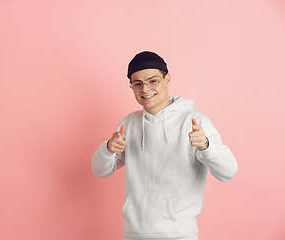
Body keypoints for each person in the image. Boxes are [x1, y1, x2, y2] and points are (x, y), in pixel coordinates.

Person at [91, 51, 238, 240]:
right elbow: (99, 170)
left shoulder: (194, 121)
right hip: (133, 233)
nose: (145, 89)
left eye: (153, 81)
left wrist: (206, 146)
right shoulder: (130, 122)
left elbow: (228, 171)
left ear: (167, 79)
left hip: (179, 235)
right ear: (132, 86)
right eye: (138, 84)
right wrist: (108, 149)